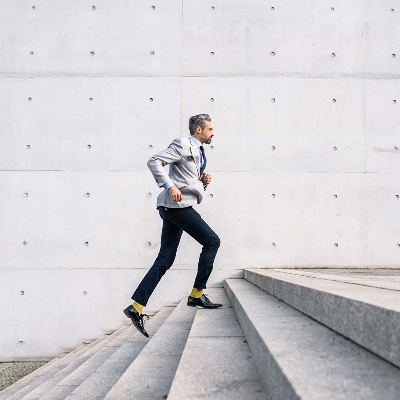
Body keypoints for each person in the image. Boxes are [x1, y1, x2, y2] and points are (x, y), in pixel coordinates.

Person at [124, 114, 222, 337]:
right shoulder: (182, 144)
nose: (213, 133)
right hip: (176, 207)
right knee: (212, 241)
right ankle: (197, 294)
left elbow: (187, 182)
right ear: (198, 130)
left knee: (165, 258)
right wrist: (170, 187)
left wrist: (202, 183)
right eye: (209, 129)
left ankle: (136, 306)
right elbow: (154, 161)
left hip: (174, 207)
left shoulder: (199, 151)